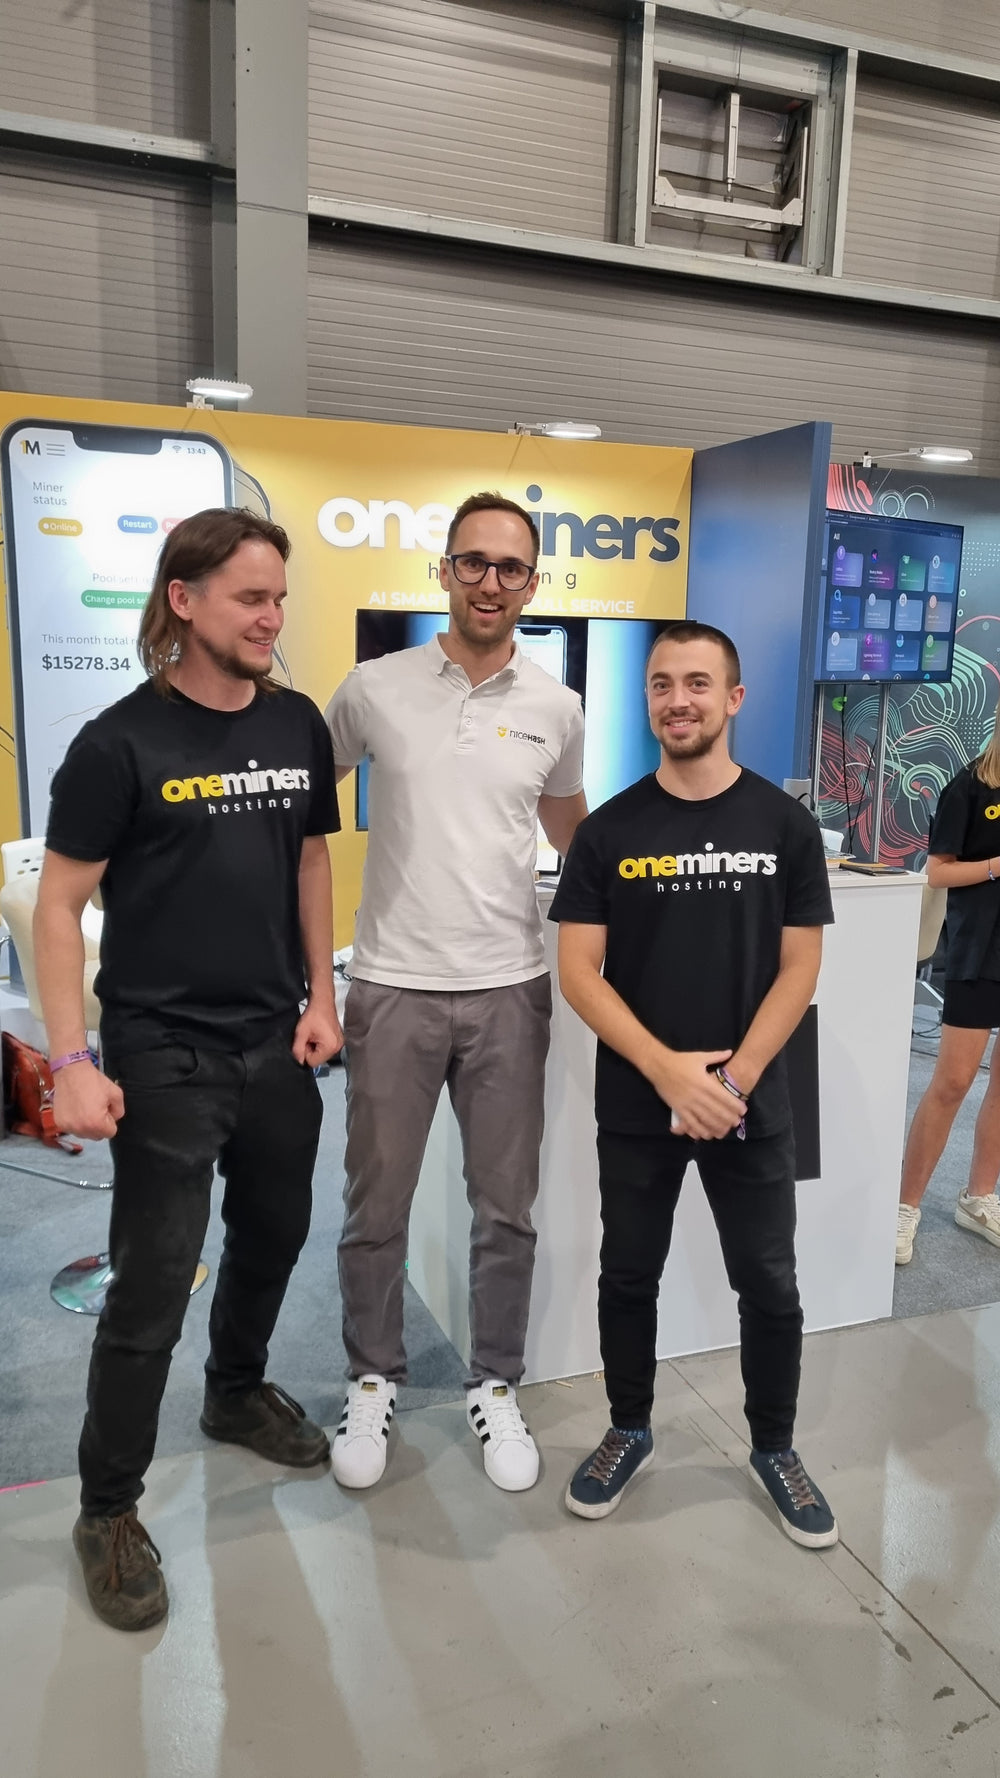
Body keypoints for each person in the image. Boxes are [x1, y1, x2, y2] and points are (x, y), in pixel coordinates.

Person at [35, 508, 343, 1632]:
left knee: (273, 1235)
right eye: (250, 599)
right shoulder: (120, 743)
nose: (272, 618)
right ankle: (106, 1504)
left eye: (278, 599)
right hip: (162, 1046)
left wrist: (323, 991)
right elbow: (61, 906)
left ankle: (233, 1391)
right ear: (184, 600)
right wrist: (72, 1057)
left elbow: (310, 856)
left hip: (276, 1038)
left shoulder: (298, 722)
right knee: (155, 1281)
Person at [548, 620, 838, 1546]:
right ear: (649, 700)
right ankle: (627, 1428)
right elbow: (579, 973)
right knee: (628, 1275)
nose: (680, 699)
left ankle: (775, 1447)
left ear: (734, 698)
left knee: (771, 1282)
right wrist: (672, 1072)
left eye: (699, 683)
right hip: (639, 1099)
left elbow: (801, 969)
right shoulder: (608, 831)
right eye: (664, 683)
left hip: (752, 1100)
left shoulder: (786, 825)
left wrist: (735, 1077)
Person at [325, 490, 586, 1492]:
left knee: (504, 1206)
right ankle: (372, 1376)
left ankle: (494, 1382)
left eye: (509, 567)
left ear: (532, 583)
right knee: (373, 1203)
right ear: (443, 570)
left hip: (509, 988)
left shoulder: (554, 706)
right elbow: (306, 811)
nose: (489, 581)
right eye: (471, 561)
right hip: (390, 981)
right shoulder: (375, 687)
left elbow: (573, 834)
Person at [896, 724, 1000, 1265]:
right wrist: (996, 867)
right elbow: (938, 874)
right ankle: (904, 1206)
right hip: (979, 954)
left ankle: (979, 1197)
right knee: (954, 1081)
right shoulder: (969, 788)